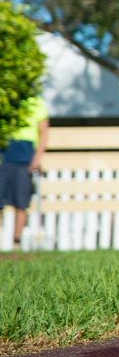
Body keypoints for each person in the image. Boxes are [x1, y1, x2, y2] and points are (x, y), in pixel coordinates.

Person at [1, 94, 50, 250]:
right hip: (3, 155)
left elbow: (44, 132)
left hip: (24, 157)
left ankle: (16, 242)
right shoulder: (4, 97)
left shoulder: (36, 103)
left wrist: (37, 159)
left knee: (21, 202)